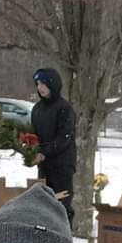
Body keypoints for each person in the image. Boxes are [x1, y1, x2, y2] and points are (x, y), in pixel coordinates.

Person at [30, 67, 77, 224]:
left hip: (62, 167)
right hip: (44, 167)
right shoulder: (37, 109)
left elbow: (64, 137)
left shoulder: (64, 108)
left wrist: (44, 153)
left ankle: (64, 241)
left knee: (61, 208)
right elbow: (33, 135)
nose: (39, 88)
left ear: (53, 84)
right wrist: (30, 151)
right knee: (43, 207)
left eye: (43, 83)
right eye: (37, 84)